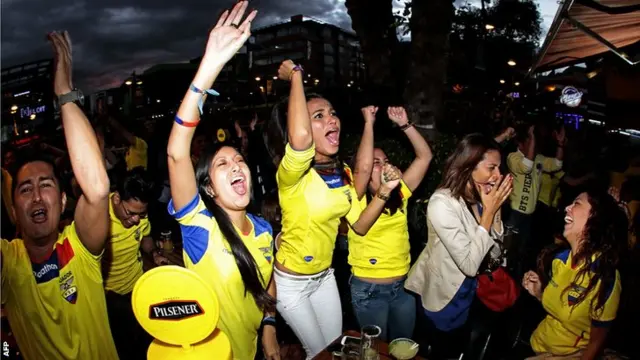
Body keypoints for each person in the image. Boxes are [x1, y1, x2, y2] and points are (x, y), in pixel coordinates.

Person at [264, 60, 401, 358]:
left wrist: (385, 191)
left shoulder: (340, 174)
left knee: (337, 347)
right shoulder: (292, 174)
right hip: (292, 284)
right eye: (319, 116)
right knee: (318, 353)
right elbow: (300, 140)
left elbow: (361, 223)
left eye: (333, 113)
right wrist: (296, 76)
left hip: (325, 276)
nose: (332, 120)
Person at [165, 3, 279, 360]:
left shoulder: (262, 229)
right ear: (209, 188)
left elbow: (267, 279)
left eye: (240, 160)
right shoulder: (200, 226)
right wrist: (210, 66)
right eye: (222, 164)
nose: (237, 166)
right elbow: (176, 153)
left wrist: (270, 328)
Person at [1, 31, 117, 359]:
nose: (37, 196)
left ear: (64, 201)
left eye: (46, 185)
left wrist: (64, 93)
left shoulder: (77, 249)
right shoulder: (9, 264)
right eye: (25, 189)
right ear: (13, 209)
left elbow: (97, 190)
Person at [405, 134, 512, 359]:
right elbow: (469, 264)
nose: (498, 175)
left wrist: (495, 211)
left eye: (499, 168)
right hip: (443, 295)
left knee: (458, 348)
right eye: (491, 167)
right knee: (439, 349)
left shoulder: (480, 199)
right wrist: (490, 212)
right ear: (469, 166)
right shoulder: (442, 203)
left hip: (470, 293)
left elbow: (495, 255)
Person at [347, 105, 432, 341]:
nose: (383, 165)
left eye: (385, 160)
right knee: (376, 350)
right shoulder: (354, 196)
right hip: (369, 290)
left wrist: (405, 124)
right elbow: (361, 226)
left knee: (403, 346)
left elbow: (425, 156)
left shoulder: (400, 192)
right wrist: (369, 123)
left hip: (403, 286)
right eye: (375, 162)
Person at [522, 190, 628, 360]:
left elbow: (596, 343)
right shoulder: (559, 259)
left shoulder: (603, 278)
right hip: (538, 345)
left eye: (577, 204)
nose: (567, 208)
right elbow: (564, 310)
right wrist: (540, 293)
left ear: (595, 219)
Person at [103, 166, 165, 359]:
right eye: (130, 213)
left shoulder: (139, 217)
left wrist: (154, 253)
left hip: (137, 289)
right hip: (108, 297)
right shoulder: (98, 218)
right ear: (116, 199)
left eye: (142, 214)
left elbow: (145, 237)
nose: (136, 220)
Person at [508, 124, 565, 274]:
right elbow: (526, 167)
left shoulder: (539, 159)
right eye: (530, 142)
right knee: (508, 249)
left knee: (522, 250)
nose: (534, 145)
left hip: (529, 214)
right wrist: (532, 136)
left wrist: (560, 144)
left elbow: (557, 165)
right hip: (515, 212)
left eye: (534, 142)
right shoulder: (513, 157)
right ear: (520, 144)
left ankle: (515, 280)